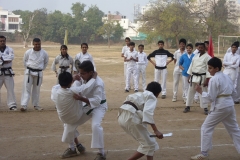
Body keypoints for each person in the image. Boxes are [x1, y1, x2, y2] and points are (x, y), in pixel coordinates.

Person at [191, 57, 240, 160]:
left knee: (206, 127)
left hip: (221, 106)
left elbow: (211, 98)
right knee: (234, 129)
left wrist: (200, 91)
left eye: (210, 68)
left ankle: (204, 153)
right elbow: (234, 93)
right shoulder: (227, 77)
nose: (209, 70)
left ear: (217, 69)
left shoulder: (214, 79)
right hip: (229, 105)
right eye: (208, 68)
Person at [51, 71, 97, 159]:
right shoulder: (73, 91)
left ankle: (75, 146)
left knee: (68, 125)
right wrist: (94, 77)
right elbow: (86, 87)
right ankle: (74, 148)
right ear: (70, 82)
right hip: (77, 116)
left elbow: (58, 86)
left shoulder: (54, 91)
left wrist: (72, 78)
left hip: (63, 118)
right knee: (93, 106)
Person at [118, 81, 163, 160]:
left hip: (121, 117)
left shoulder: (138, 94)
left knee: (150, 142)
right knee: (149, 145)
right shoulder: (152, 96)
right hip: (131, 118)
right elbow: (147, 112)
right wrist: (156, 130)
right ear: (157, 93)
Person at [73, 61, 107, 160]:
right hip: (87, 105)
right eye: (80, 73)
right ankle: (73, 147)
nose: (81, 75)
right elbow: (78, 87)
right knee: (71, 122)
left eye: (83, 73)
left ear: (91, 72)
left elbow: (96, 101)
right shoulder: (83, 77)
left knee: (96, 125)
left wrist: (81, 99)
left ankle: (101, 153)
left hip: (99, 106)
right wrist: (74, 78)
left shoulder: (98, 83)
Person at [21, 38, 49, 111]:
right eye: (36, 44)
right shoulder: (28, 52)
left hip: (39, 72)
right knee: (26, 89)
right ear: (33, 44)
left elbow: (45, 63)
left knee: (36, 90)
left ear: (40, 44)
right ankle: (24, 105)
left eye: (38, 44)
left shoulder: (44, 53)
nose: (37, 46)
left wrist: (40, 69)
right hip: (29, 72)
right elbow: (24, 61)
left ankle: (36, 105)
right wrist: (28, 68)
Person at [183, 43, 211, 115]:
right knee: (190, 91)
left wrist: (207, 79)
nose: (200, 49)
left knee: (202, 92)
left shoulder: (208, 57)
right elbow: (191, 66)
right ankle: (188, 106)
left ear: (205, 48)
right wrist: (189, 75)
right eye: (199, 48)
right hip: (194, 76)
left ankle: (205, 108)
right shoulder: (195, 56)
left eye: (202, 48)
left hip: (202, 77)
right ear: (197, 48)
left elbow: (208, 69)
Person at [0, 35, 17, 110]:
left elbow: (10, 58)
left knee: (10, 89)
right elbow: (7, 59)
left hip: (8, 72)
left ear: (5, 41)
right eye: (0, 41)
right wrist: (5, 60)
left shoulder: (10, 49)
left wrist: (2, 60)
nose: (2, 42)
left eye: (3, 41)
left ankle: (12, 105)